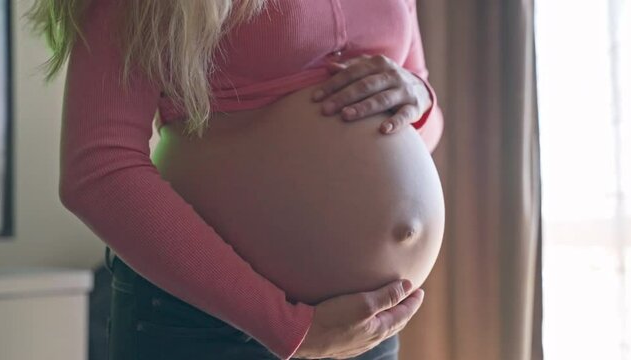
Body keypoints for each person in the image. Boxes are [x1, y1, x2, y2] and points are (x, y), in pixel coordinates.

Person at [25, 0, 444, 359]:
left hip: (366, 325)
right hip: (214, 326)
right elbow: (98, 167)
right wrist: (287, 327)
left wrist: (419, 97)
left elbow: (420, 127)